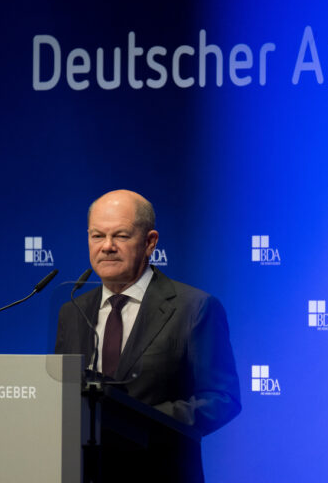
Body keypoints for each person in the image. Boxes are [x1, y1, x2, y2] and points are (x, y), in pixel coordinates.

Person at [55, 189, 241, 480]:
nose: (107, 246)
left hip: (161, 471)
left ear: (150, 242)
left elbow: (222, 398)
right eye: (97, 236)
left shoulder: (194, 308)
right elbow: (63, 397)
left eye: (121, 235)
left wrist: (141, 422)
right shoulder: (72, 310)